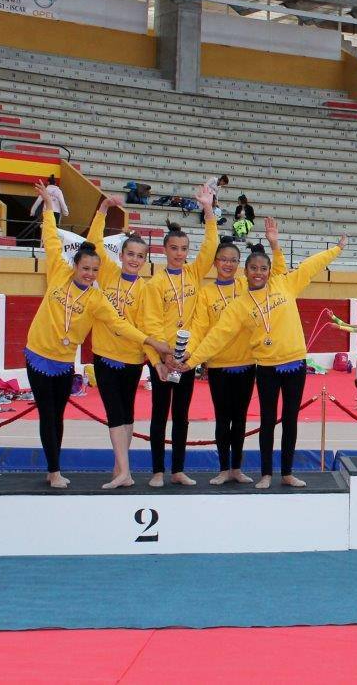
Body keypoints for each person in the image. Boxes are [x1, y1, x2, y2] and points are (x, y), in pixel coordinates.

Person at [24, 182, 170, 488]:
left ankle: (118, 469)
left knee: (59, 417)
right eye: (85, 267)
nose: (89, 274)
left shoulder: (96, 299)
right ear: (75, 265)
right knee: (47, 416)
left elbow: (121, 325)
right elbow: (52, 239)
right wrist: (52, 209)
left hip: (65, 361)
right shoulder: (58, 273)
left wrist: (152, 345)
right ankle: (53, 471)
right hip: (38, 353)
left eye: (94, 270)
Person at [181, 235, 346, 488]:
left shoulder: (285, 284)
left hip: (295, 365)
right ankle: (266, 474)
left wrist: (336, 249)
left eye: (263, 268)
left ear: (269, 271)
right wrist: (191, 361)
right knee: (267, 421)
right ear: (244, 272)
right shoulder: (239, 306)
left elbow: (310, 265)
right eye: (253, 268)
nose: (258, 273)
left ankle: (288, 473)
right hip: (267, 367)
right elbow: (216, 336)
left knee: (290, 419)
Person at [137, 186, 218, 488]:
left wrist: (208, 209)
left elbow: (211, 246)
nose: (180, 254)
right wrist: (162, 358)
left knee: (182, 416)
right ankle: (158, 470)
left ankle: (178, 470)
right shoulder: (154, 284)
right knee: (159, 415)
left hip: (186, 359)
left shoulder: (194, 274)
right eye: (174, 248)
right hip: (162, 360)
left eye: (184, 249)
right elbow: (151, 323)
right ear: (164, 250)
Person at [85, 196, 153, 489]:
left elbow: (147, 327)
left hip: (132, 359)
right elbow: (92, 244)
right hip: (104, 355)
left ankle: (121, 468)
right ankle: (123, 470)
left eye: (140, 256)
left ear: (145, 260)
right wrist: (102, 211)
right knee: (114, 411)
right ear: (121, 255)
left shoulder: (147, 289)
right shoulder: (109, 272)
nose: (135, 259)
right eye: (131, 254)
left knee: (126, 414)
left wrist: (154, 357)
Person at [189, 238, 251, 485]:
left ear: (239, 264)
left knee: (241, 419)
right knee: (223, 418)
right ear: (215, 262)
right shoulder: (206, 293)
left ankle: (237, 468)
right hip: (218, 367)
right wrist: (190, 358)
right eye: (223, 259)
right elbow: (200, 328)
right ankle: (224, 468)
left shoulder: (246, 285)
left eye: (233, 260)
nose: (228, 264)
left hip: (246, 364)